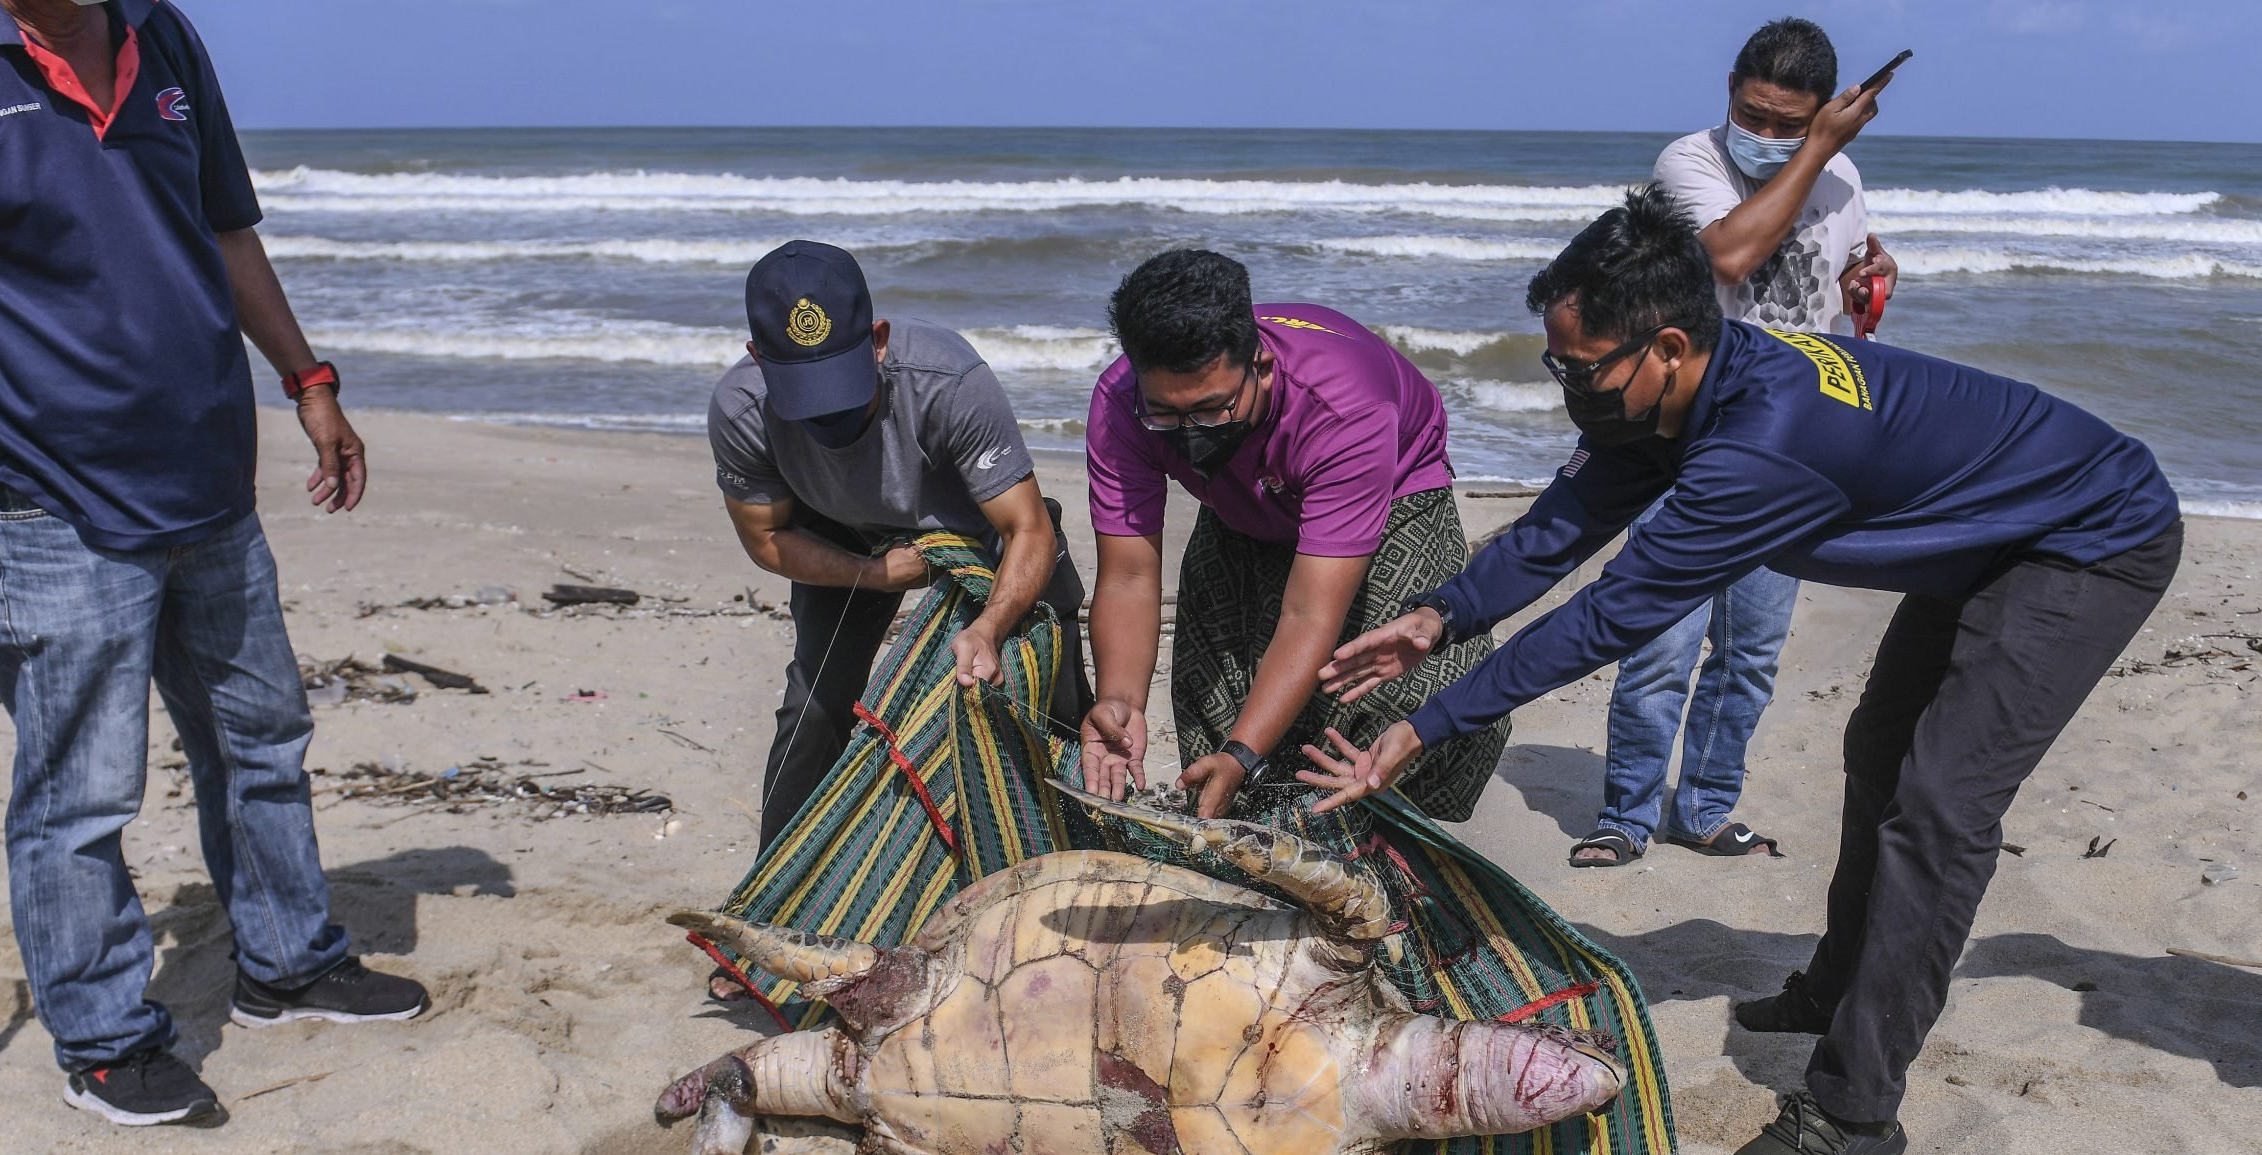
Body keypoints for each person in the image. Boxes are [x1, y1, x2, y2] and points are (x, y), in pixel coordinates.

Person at [1305, 188, 2179, 1155]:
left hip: (2084, 540)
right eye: (1554, 362)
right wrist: (1438, 619)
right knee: (1876, 754)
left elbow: (1607, 616)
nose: (1563, 387)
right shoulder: (1674, 392)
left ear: (1668, 346)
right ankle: (1834, 985)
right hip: (1987, 532)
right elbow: (1558, 529)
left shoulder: (1762, 445)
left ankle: (1855, 1110)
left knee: (1939, 809)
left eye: (1577, 369)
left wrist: (1426, 720)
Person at [0, 0, 430, 1128]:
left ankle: (287, 962)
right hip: (51, 499)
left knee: (260, 738)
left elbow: (224, 230)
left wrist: (307, 379)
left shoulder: (159, 33)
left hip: (209, 478)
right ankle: (105, 1039)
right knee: (80, 793)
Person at [1570, 16, 1900, 870]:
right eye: (1753, 114)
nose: (1765, 135)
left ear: (1827, 110)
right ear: (1730, 93)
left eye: (1790, 123)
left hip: (1794, 448)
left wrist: (1873, 275)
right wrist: (1813, 151)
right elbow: (1727, 254)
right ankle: (1626, 815)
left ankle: (1708, 807)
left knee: (1749, 653)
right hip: (1695, 438)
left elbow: (1841, 280)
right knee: (1661, 640)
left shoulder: (1844, 176)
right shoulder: (1688, 164)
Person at [1079, 249, 1505, 821]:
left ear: (1262, 366)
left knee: (1387, 693)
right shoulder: (1120, 403)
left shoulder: (1344, 408)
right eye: (1165, 416)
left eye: (1209, 411)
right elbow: (1129, 575)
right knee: (1216, 690)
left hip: (1394, 490)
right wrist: (1120, 701)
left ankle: (1380, 851)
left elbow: (1310, 616)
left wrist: (1242, 754)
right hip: (1240, 495)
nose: (1188, 434)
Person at [710, 241, 1088, 854]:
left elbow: (1027, 529)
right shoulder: (742, 409)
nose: (830, 415)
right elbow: (767, 537)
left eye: (843, 386)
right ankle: (774, 891)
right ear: (757, 358)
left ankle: (1073, 851)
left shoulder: (948, 382)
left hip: (976, 529)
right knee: (814, 708)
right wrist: (872, 574)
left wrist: (990, 626)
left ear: (878, 340)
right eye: (808, 399)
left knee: (1052, 699)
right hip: (840, 535)